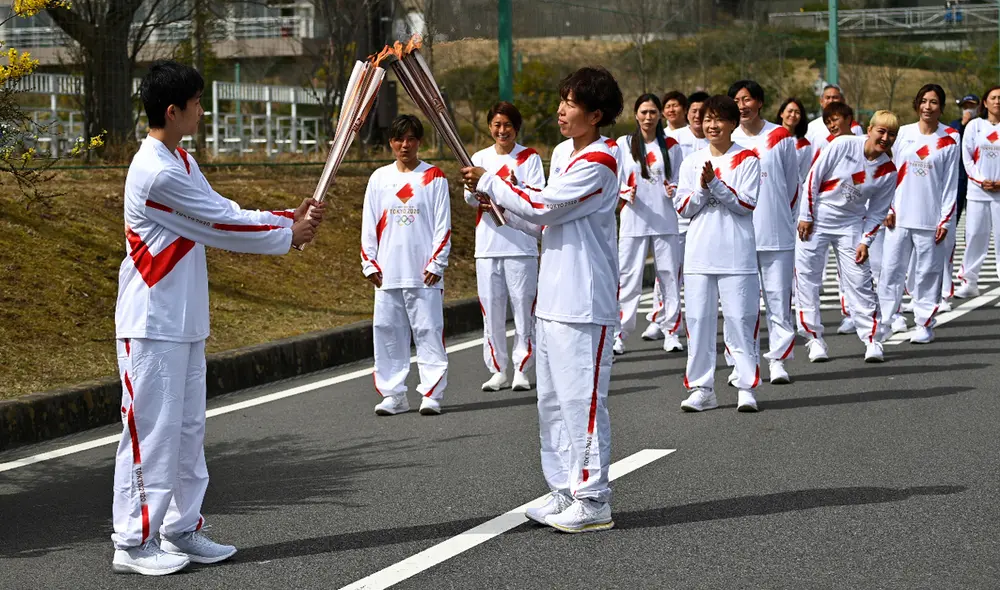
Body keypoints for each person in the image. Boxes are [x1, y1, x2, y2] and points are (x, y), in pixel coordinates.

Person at [113, 61, 323, 576]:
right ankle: (132, 542)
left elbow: (218, 207)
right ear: (173, 110)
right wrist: (287, 234)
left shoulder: (180, 160)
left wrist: (284, 220)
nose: (202, 111)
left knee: (186, 431)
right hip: (152, 323)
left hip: (183, 322)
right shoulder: (156, 171)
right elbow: (217, 223)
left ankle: (181, 529)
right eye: (197, 103)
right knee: (153, 433)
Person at [463, 66, 623, 533]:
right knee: (551, 401)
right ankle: (562, 490)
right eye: (561, 99)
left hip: (585, 299)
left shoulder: (602, 160)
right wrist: (496, 207)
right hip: (552, 296)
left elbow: (544, 205)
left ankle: (593, 499)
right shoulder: (563, 154)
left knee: (582, 402)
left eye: (571, 103)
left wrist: (492, 181)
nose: (560, 109)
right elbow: (540, 221)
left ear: (595, 114)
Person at [674, 95, 762, 412]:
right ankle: (702, 388)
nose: (712, 125)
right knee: (698, 322)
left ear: (732, 124)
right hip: (699, 254)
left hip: (736, 254)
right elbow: (683, 207)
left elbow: (746, 204)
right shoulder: (690, 161)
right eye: (707, 119)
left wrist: (716, 184)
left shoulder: (748, 160)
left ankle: (746, 386)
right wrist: (701, 187)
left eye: (719, 119)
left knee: (739, 320)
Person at [362, 115, 451, 416]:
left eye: (411, 139)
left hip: (423, 272)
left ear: (419, 142)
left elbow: (443, 225)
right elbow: (368, 224)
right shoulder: (379, 178)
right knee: (387, 331)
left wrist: (437, 262)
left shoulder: (434, 177)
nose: (405, 145)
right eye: (399, 139)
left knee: (428, 330)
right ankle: (394, 395)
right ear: (390, 142)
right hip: (388, 271)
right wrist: (369, 262)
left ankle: (432, 393)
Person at [796, 111, 899, 363]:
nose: (885, 138)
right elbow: (813, 178)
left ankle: (872, 339)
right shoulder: (843, 144)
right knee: (807, 278)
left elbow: (878, 212)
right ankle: (814, 339)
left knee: (860, 281)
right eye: (881, 131)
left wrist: (865, 241)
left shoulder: (888, 170)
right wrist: (806, 215)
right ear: (870, 128)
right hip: (818, 218)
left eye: (891, 134)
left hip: (851, 224)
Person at [465, 102, 545, 392]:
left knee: (524, 310)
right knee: (492, 311)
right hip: (487, 246)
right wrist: (485, 196)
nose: (502, 130)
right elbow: (470, 196)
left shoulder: (529, 158)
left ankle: (522, 368)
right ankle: (497, 369)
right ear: (489, 127)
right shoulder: (478, 158)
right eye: (497, 125)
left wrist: (506, 190)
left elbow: (536, 196)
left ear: (516, 128)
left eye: (507, 125)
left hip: (521, 246)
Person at [727, 80, 799, 385]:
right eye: (736, 100)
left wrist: (785, 219)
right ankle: (741, 363)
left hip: (775, 230)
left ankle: (778, 360)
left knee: (778, 300)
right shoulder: (727, 139)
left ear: (759, 102)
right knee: (739, 304)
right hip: (739, 233)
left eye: (747, 99)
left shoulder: (779, 136)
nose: (742, 105)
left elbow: (793, 186)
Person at [878, 84, 959, 343]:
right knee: (891, 271)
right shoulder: (902, 133)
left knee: (927, 273)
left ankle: (924, 323)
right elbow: (889, 173)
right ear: (917, 104)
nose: (927, 106)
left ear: (941, 108)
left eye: (933, 102)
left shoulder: (950, 138)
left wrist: (945, 219)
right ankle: (887, 321)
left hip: (930, 218)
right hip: (899, 216)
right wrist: (887, 207)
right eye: (923, 101)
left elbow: (950, 183)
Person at [612, 94, 684, 355]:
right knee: (628, 278)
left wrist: (673, 188)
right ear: (635, 114)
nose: (648, 117)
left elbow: (679, 179)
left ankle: (671, 331)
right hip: (634, 220)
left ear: (660, 116)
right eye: (644, 112)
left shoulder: (672, 145)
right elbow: (614, 179)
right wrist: (623, 192)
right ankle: (619, 334)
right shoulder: (623, 144)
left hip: (665, 220)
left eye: (653, 112)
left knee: (669, 277)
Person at [643, 91, 709, 342]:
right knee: (669, 271)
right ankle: (660, 319)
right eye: (694, 111)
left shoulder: (717, 139)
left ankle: (693, 320)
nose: (698, 116)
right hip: (677, 218)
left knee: (700, 274)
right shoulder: (673, 139)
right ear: (687, 113)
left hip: (706, 219)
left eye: (703, 113)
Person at [956, 85, 1000, 299]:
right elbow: (967, 158)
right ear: (985, 102)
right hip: (978, 191)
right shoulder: (975, 126)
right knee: (975, 236)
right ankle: (969, 281)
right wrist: (982, 180)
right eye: (993, 97)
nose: (997, 101)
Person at [778, 97, 812, 186]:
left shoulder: (804, 145)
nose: (793, 115)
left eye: (797, 112)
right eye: (790, 111)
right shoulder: (769, 137)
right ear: (781, 113)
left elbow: (802, 175)